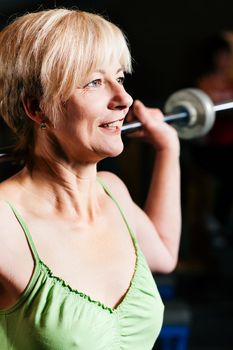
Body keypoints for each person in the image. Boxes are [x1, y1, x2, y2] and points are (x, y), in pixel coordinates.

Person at [0, 8, 181, 349]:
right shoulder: (5, 223)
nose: (124, 99)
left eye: (120, 78)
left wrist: (168, 151)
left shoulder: (112, 192)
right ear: (37, 108)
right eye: (94, 82)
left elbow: (165, 255)